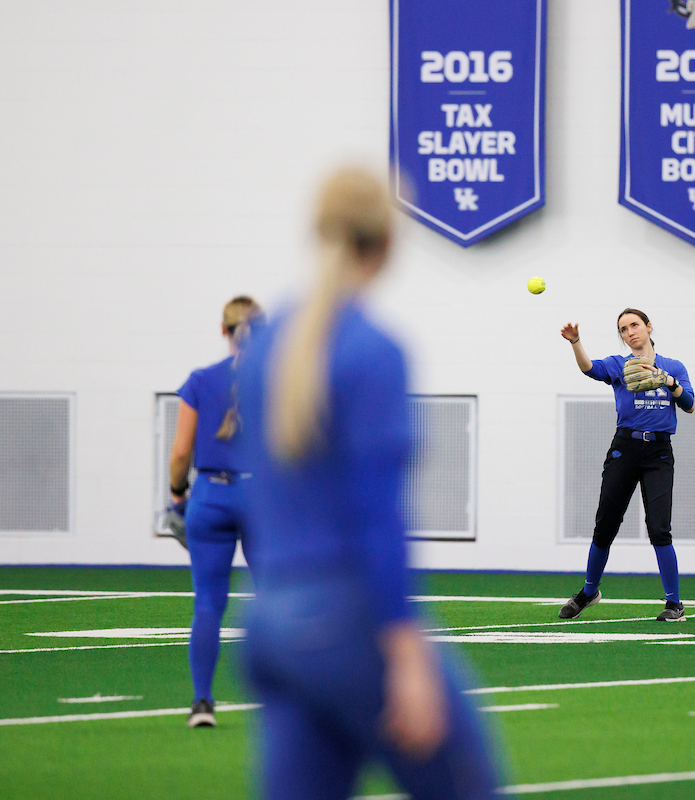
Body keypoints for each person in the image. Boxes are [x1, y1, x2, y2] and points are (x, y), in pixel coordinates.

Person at [237, 167, 498, 800]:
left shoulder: (265, 346)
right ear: (387, 241)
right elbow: (377, 516)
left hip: (269, 623)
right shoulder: (374, 350)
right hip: (345, 623)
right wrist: (406, 655)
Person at [558, 309, 695, 623]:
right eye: (623, 329)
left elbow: (689, 403)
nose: (630, 332)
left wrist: (667, 381)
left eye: (635, 325)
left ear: (648, 327)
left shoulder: (673, 366)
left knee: (659, 529)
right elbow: (590, 369)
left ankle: (674, 604)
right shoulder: (619, 365)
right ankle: (588, 592)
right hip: (626, 447)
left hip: (659, 452)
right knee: (605, 524)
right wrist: (576, 342)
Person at [169, 295, 261, 728]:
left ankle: (202, 704)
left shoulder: (201, 380)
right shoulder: (280, 380)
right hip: (261, 497)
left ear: (223, 331)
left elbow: (180, 453)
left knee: (207, 604)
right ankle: (288, 706)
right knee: (281, 600)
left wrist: (177, 495)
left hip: (210, 494)